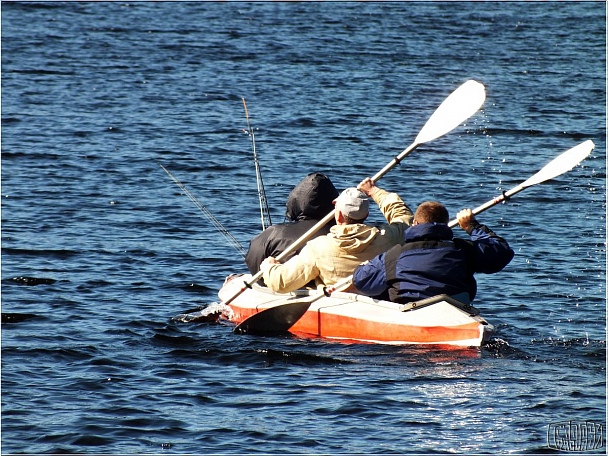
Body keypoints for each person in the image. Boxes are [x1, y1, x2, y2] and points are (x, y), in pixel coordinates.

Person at [259, 177, 414, 293]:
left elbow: (281, 283)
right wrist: (374, 191)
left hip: (337, 302)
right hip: (373, 299)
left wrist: (269, 266)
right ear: (366, 215)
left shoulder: (318, 248)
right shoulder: (388, 238)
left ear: (337, 216)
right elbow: (403, 215)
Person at [352, 201, 514, 304]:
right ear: (445, 224)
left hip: (409, 312)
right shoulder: (464, 250)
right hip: (455, 309)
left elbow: (361, 281)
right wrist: (472, 226)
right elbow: (502, 253)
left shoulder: (395, 255)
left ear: (415, 223)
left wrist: (364, 265)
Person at [245, 172, 339, 275]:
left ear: (294, 202)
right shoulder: (347, 235)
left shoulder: (274, 233)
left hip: (282, 285)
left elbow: (254, 263)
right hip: (332, 285)